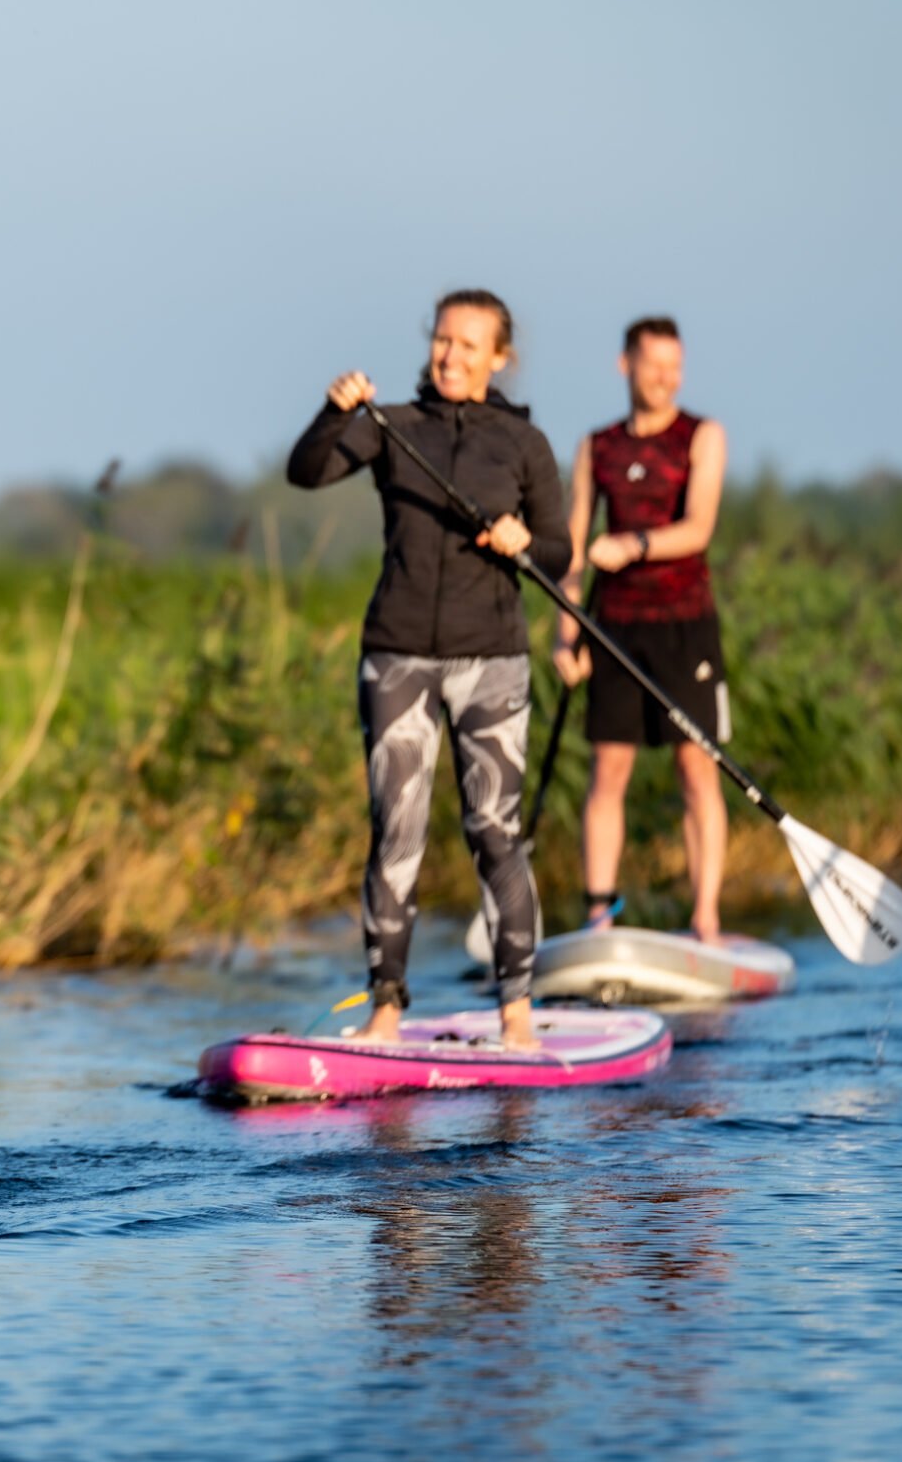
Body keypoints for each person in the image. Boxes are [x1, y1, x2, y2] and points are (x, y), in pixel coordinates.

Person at [287, 291, 572, 1048]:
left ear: (499, 358)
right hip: (398, 653)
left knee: (494, 832)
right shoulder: (392, 428)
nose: (451, 355)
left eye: (469, 346)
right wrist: (333, 412)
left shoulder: (523, 444)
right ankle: (386, 1010)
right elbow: (306, 473)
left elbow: (559, 551)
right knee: (397, 833)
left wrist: (522, 541)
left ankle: (517, 1013)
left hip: (493, 658)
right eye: (443, 341)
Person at [551, 316, 731, 943]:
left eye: (675, 366)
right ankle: (599, 917)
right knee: (609, 772)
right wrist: (564, 635)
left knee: (697, 769)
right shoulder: (595, 446)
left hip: (686, 626)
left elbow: (698, 527)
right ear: (625, 364)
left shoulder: (701, 436)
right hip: (613, 629)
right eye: (654, 365)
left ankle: (705, 919)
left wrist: (632, 545)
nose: (667, 378)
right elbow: (574, 548)